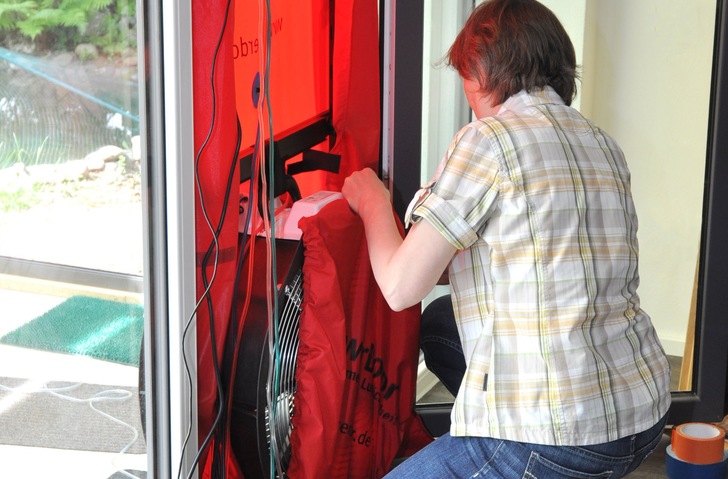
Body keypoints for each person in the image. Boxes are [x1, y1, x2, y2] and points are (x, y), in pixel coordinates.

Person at [341, 0, 672, 477]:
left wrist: (371, 199)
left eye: (464, 76)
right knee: (439, 324)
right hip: (642, 417)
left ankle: (516, 458)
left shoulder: (488, 139)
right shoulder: (603, 143)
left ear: (482, 70)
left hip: (556, 441)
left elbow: (399, 286)